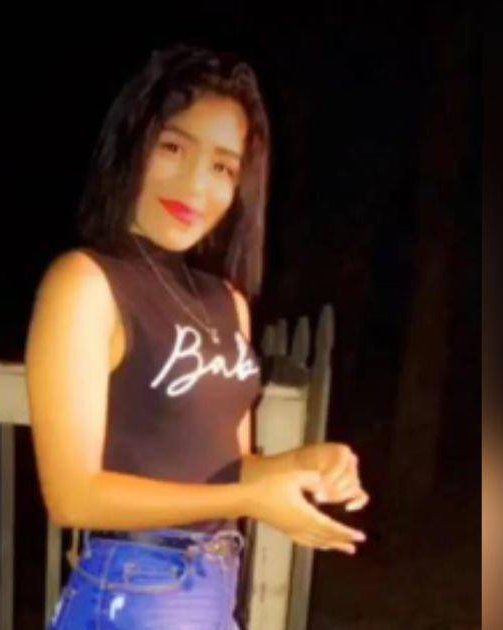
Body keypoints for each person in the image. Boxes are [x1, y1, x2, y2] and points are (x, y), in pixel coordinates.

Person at [25, 43, 368, 629]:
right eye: (174, 148)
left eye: (222, 167)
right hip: (135, 590)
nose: (194, 185)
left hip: (212, 588)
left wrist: (303, 463)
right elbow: (72, 494)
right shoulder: (85, 283)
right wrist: (248, 501)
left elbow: (228, 467)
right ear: (133, 144)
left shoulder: (227, 302)